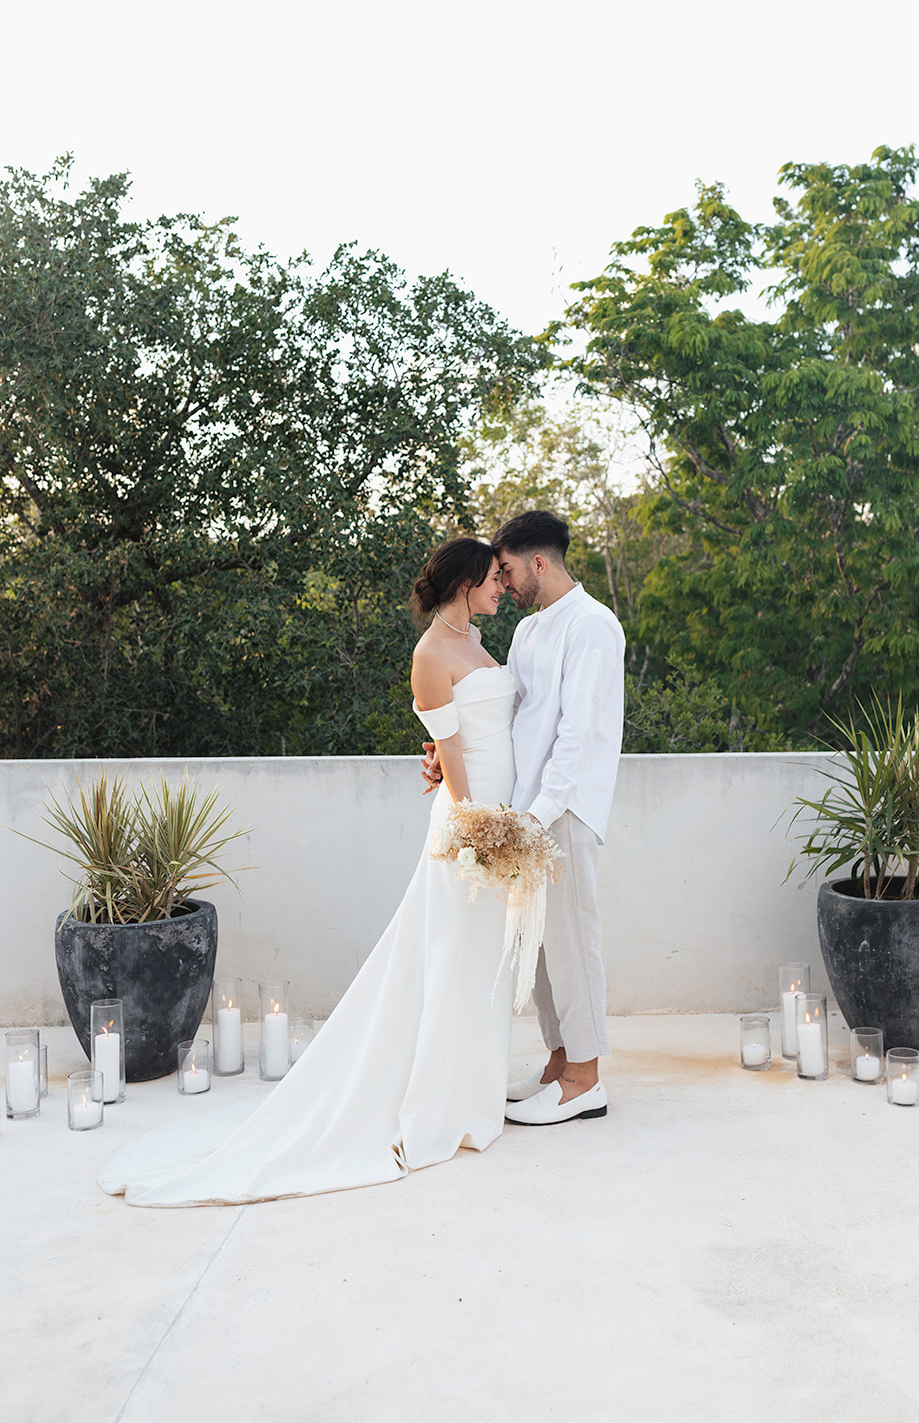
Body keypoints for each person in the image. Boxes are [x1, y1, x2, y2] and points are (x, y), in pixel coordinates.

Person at [98, 538, 519, 1206]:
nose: (503, 586)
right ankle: (437, 1099)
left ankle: (467, 1086)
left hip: (503, 807)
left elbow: (476, 729)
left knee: (475, 955)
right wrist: (474, 825)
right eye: (494, 578)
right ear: (465, 581)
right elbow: (451, 748)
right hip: (473, 822)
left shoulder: (475, 642)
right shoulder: (431, 652)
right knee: (448, 950)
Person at [423, 509, 626, 1126]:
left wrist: (534, 818)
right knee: (534, 943)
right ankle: (558, 1061)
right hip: (522, 806)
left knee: (570, 940)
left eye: (507, 569)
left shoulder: (592, 626)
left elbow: (577, 734)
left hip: (559, 809)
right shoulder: (530, 631)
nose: (502, 582)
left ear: (538, 562)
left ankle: (586, 1080)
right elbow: (503, 719)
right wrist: (440, 755)